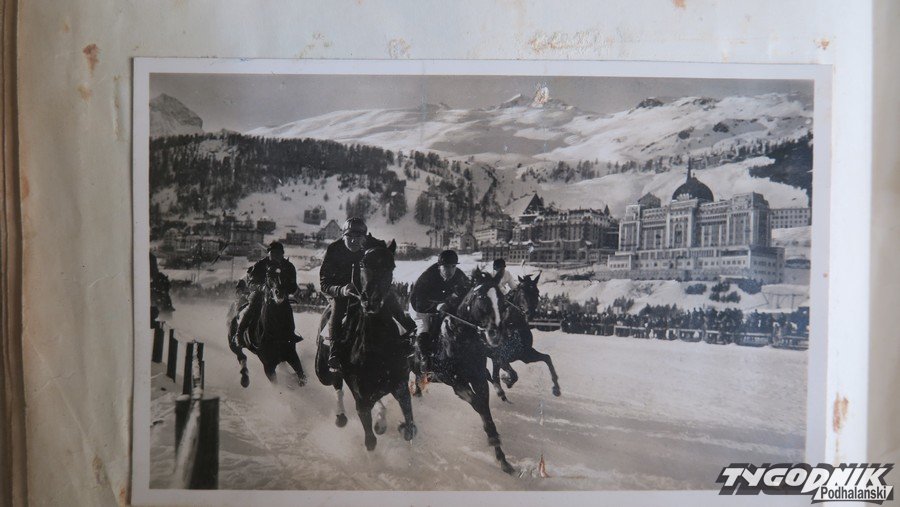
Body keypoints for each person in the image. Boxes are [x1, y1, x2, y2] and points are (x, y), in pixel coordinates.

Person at [409, 250, 471, 372]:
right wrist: (435, 306)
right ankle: (425, 359)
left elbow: (468, 292)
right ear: (439, 266)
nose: (450, 271)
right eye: (446, 267)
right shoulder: (428, 276)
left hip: (444, 306)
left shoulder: (460, 275)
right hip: (420, 307)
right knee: (424, 327)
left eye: (453, 266)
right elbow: (418, 301)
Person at [232, 241, 300, 347]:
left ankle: (290, 333)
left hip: (280, 295)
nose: (275, 256)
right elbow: (251, 282)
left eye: (278, 253)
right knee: (253, 306)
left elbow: (293, 287)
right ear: (269, 253)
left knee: (287, 309)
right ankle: (239, 334)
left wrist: (285, 289)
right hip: (261, 294)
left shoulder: (289, 266)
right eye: (273, 253)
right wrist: (262, 287)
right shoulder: (261, 264)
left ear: (282, 254)